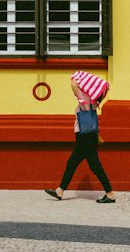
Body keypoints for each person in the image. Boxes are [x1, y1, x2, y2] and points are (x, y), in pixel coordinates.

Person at [46, 71, 115, 202]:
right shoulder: (94, 101)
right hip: (87, 136)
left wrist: (75, 76)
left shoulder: (86, 102)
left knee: (94, 164)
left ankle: (110, 193)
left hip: (85, 136)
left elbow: (74, 86)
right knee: (72, 163)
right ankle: (60, 191)